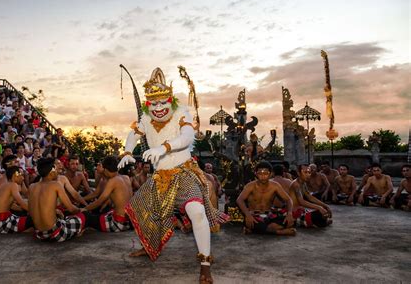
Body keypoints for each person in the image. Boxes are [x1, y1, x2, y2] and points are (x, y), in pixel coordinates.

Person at [117, 68, 228, 284]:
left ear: (171, 101)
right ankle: (148, 246)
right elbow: (133, 133)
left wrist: (163, 148)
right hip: (160, 177)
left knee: (196, 212)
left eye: (162, 103)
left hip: (184, 172)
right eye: (154, 104)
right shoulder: (146, 118)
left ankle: (205, 264)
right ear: (148, 105)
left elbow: (187, 137)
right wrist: (128, 152)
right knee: (142, 209)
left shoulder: (181, 113)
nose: (158, 108)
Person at [28, 158, 93, 242]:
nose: (57, 171)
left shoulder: (32, 186)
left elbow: (30, 211)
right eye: (55, 167)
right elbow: (72, 209)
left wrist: (54, 211)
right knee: (85, 216)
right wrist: (82, 210)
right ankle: (78, 230)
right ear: (51, 170)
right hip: (56, 234)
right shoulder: (55, 184)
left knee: (64, 217)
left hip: (39, 234)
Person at [236, 161, 296, 236]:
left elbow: (288, 199)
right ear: (256, 173)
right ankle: (279, 231)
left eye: (266, 173)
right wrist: (248, 215)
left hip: (269, 214)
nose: (263, 176)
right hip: (254, 215)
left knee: (289, 220)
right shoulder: (250, 186)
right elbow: (239, 200)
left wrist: (289, 214)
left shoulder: (275, 186)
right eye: (260, 173)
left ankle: (259, 230)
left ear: (271, 174)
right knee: (254, 223)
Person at [85, 156, 133, 232]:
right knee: (101, 212)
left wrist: (84, 209)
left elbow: (99, 201)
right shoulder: (126, 177)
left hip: (118, 224)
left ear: (106, 169)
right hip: (129, 222)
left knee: (86, 217)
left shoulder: (113, 181)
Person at [0, 166, 33, 233]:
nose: (23, 178)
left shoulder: (5, 185)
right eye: (21, 175)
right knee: (35, 219)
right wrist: (37, 212)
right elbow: (22, 203)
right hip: (2, 224)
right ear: (15, 175)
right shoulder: (13, 185)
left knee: (29, 216)